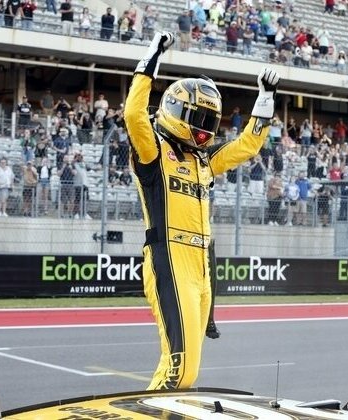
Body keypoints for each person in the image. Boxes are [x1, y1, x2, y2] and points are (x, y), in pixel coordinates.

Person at [124, 31, 279, 390]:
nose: (205, 130)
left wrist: (266, 98)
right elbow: (133, 113)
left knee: (189, 373)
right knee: (179, 370)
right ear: (176, 110)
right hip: (170, 256)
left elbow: (248, 146)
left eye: (210, 121)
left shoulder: (204, 160)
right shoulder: (153, 151)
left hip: (202, 265)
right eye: (198, 118)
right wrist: (153, 54)